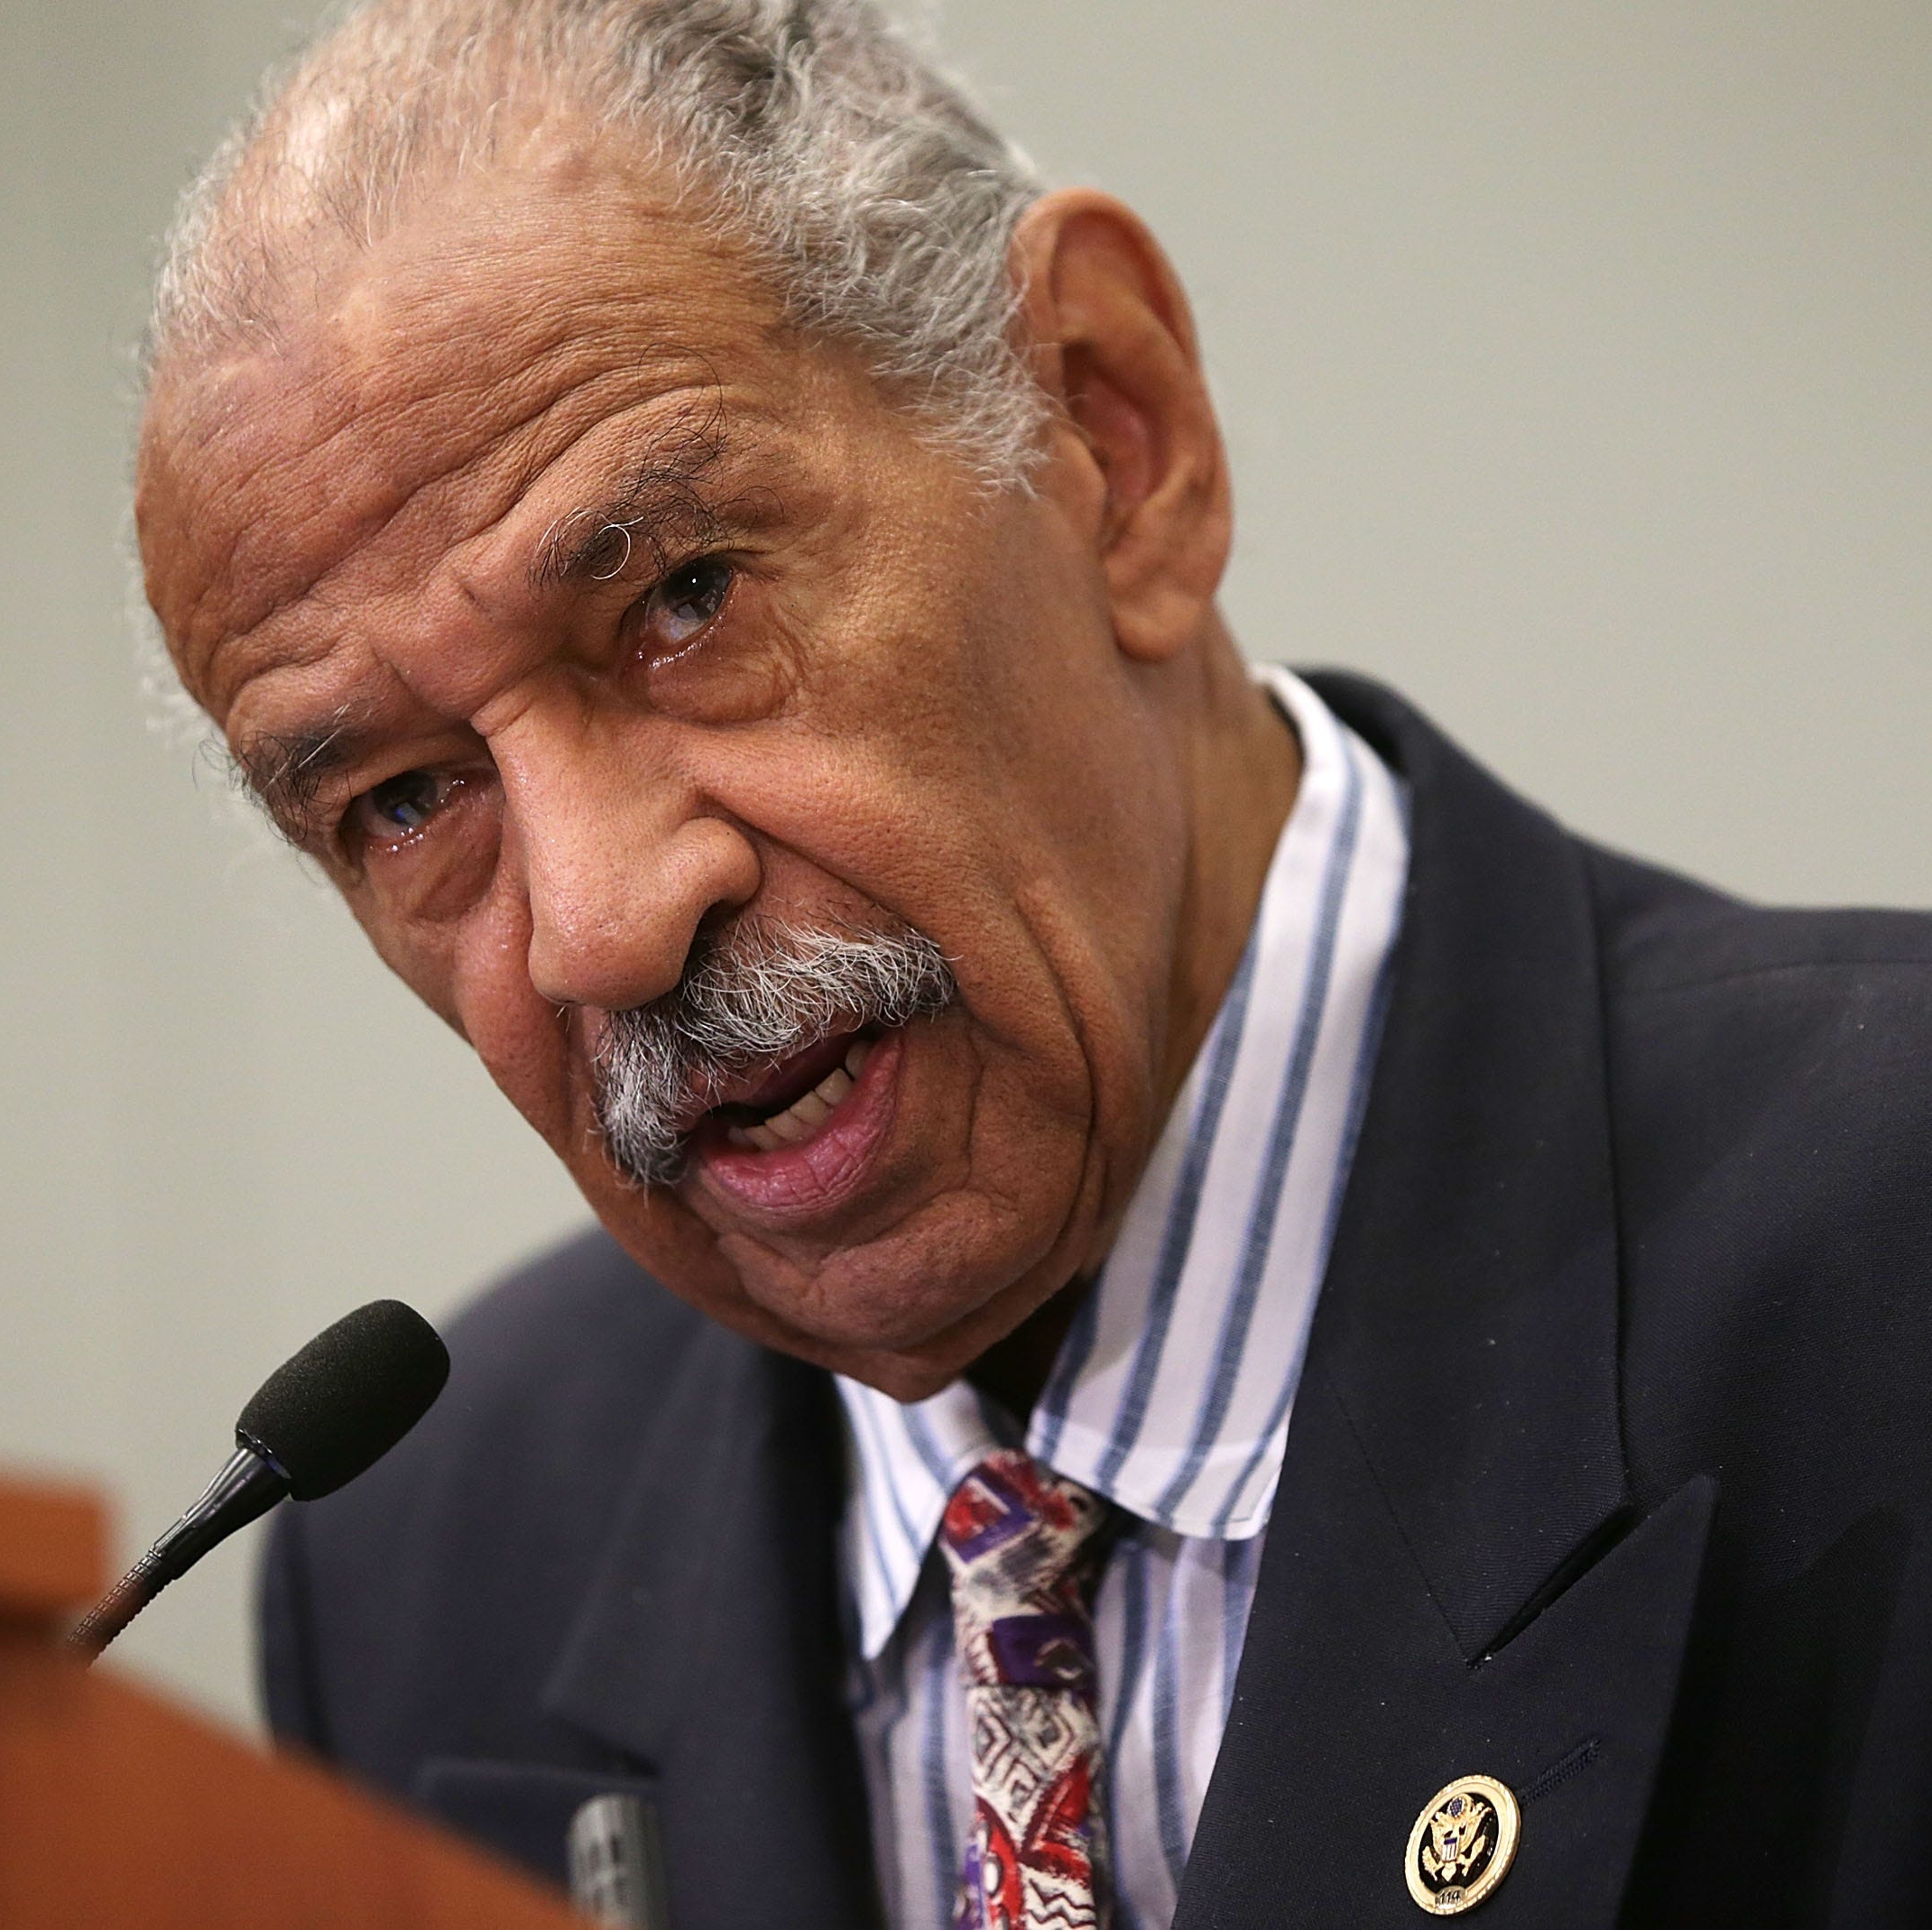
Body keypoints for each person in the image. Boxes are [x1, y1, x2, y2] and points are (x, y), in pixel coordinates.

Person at [130, 4, 1932, 1925]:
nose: (598, 919)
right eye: (406, 801)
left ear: (1107, 428)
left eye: (681, 597)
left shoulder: (1887, 1253)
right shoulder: (423, 1566)